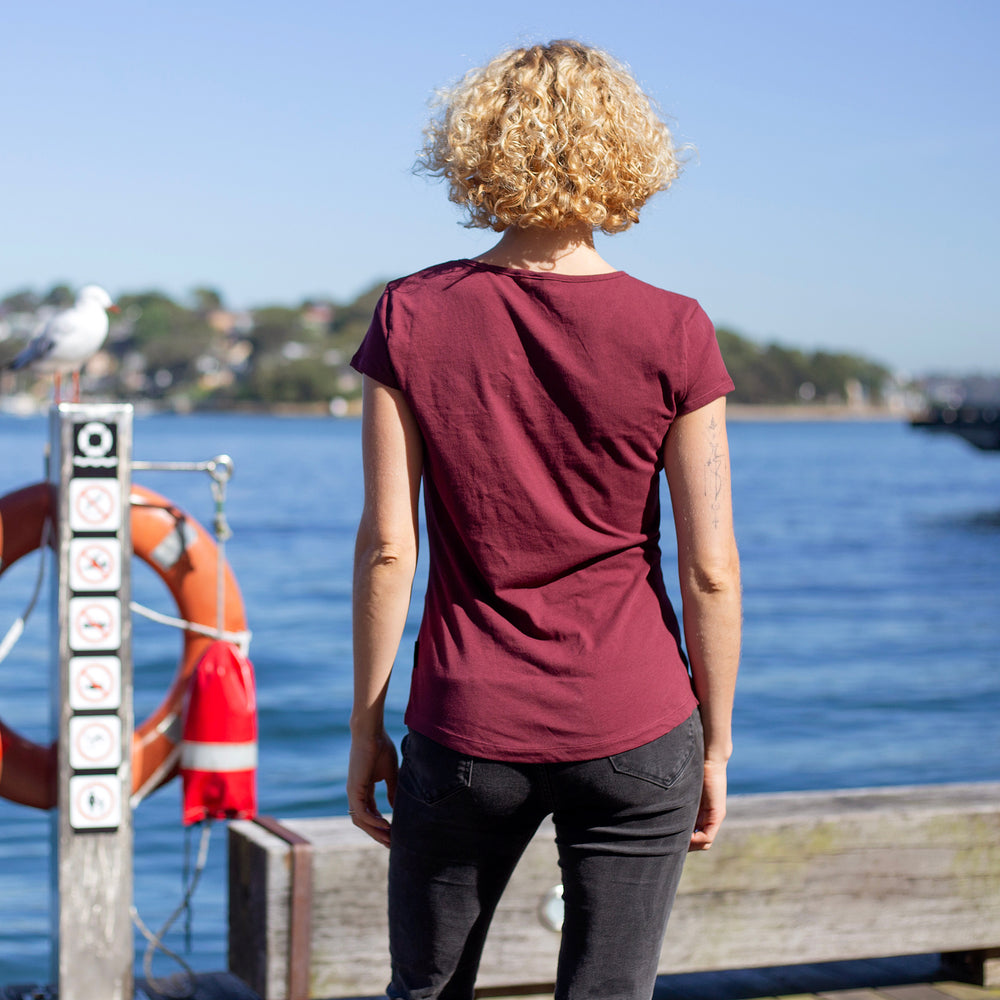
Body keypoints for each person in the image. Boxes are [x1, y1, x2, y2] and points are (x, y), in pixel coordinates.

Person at [347, 39, 741, 1000]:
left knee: (427, 990)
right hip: (639, 719)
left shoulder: (412, 314)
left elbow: (390, 546)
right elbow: (711, 568)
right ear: (629, 151)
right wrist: (718, 745)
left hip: (467, 722)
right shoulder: (675, 326)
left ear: (477, 148)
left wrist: (366, 728)